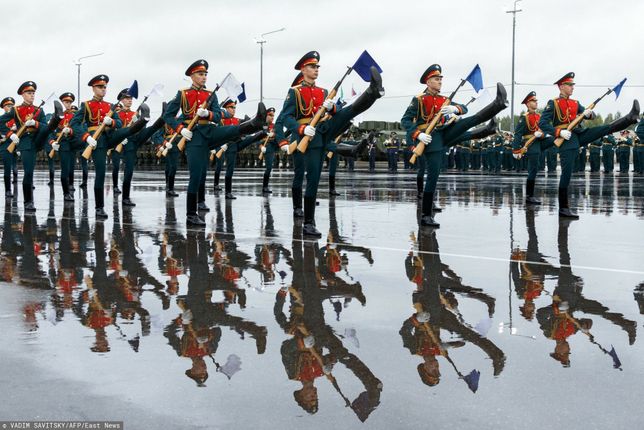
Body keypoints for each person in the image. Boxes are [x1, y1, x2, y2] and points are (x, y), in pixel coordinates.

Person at [274, 51, 384, 237]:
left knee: (346, 112)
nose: (316, 70)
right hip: (308, 137)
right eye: (312, 66)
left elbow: (335, 111)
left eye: (317, 67)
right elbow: (285, 118)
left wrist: (333, 107)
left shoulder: (323, 92)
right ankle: (308, 223)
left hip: (324, 128)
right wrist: (299, 130)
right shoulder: (295, 92)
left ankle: (372, 92)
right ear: (303, 69)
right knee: (313, 179)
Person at [401, 64, 508, 227]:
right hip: (430, 138)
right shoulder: (419, 100)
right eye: (437, 79)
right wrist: (417, 134)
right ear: (428, 82)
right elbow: (405, 121)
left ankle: (498, 104)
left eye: (440, 79)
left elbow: (464, 108)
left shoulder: (444, 100)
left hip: (445, 131)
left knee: (468, 121)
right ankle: (425, 215)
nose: (440, 82)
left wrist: (455, 109)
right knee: (433, 176)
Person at [163, 59, 266, 226]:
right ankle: (191, 213)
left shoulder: (211, 94)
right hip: (193, 136)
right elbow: (168, 116)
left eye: (205, 74)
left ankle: (254, 124)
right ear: (192, 76)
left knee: (231, 130)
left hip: (209, 131)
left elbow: (218, 115)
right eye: (200, 74)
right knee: (197, 174)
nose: (203, 77)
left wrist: (207, 114)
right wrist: (181, 129)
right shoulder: (182, 94)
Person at [539, 72, 639, 218]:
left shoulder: (575, 103)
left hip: (580, 133)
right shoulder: (553, 103)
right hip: (566, 139)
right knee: (567, 173)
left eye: (573, 84)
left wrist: (588, 113)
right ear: (561, 87)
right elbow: (542, 124)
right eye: (570, 85)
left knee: (603, 129)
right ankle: (563, 208)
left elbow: (592, 116)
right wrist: (558, 133)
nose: (573, 87)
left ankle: (630, 118)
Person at [0, 81, 61, 212]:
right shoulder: (16, 110)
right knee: (29, 172)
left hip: (38, 139)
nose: (32, 95)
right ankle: (28, 202)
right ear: (23, 94)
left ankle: (56, 118)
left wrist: (36, 123)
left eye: (33, 93)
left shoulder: (39, 110)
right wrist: (10, 134)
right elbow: (1, 122)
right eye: (29, 93)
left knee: (46, 129)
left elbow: (44, 127)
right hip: (25, 142)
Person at [511, 91, 554, 205]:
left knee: (556, 139)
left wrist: (543, 135)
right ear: (528, 103)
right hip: (530, 144)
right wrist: (516, 149)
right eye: (533, 101)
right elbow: (518, 134)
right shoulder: (524, 118)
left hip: (540, 141)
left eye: (536, 101)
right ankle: (530, 196)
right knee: (533, 170)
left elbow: (544, 130)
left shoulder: (539, 116)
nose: (536, 102)